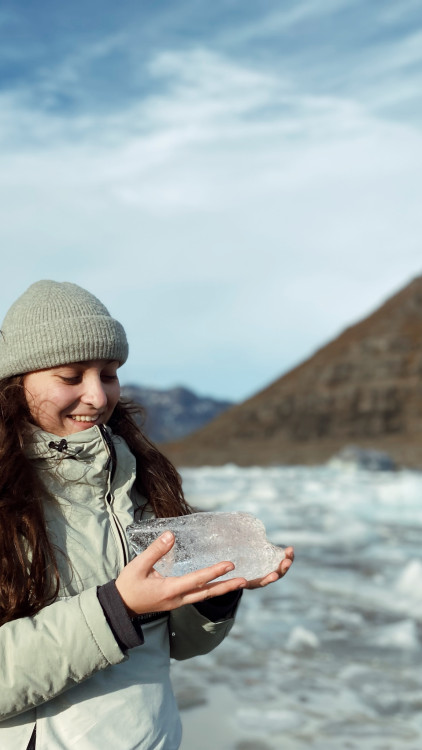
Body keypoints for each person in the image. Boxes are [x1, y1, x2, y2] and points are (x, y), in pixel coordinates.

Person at [0, 280, 294, 750]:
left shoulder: (139, 480)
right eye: (71, 377)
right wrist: (116, 607)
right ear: (17, 382)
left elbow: (177, 645)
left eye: (109, 373)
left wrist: (213, 593)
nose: (97, 396)